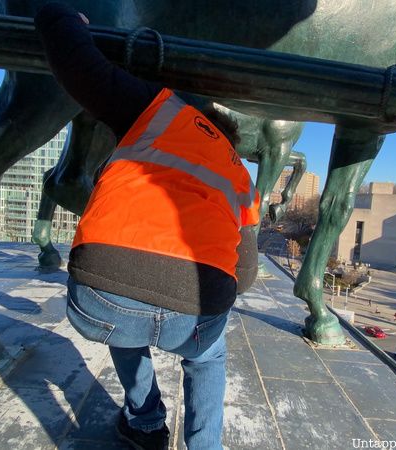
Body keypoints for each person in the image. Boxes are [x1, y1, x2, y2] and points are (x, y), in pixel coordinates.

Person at [35, 5, 260, 449]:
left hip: (101, 293)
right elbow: (246, 274)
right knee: (207, 356)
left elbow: (80, 68)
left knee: (124, 320)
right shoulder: (239, 176)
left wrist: (60, 17)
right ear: (231, 140)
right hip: (197, 305)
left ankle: (145, 424)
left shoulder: (159, 112)